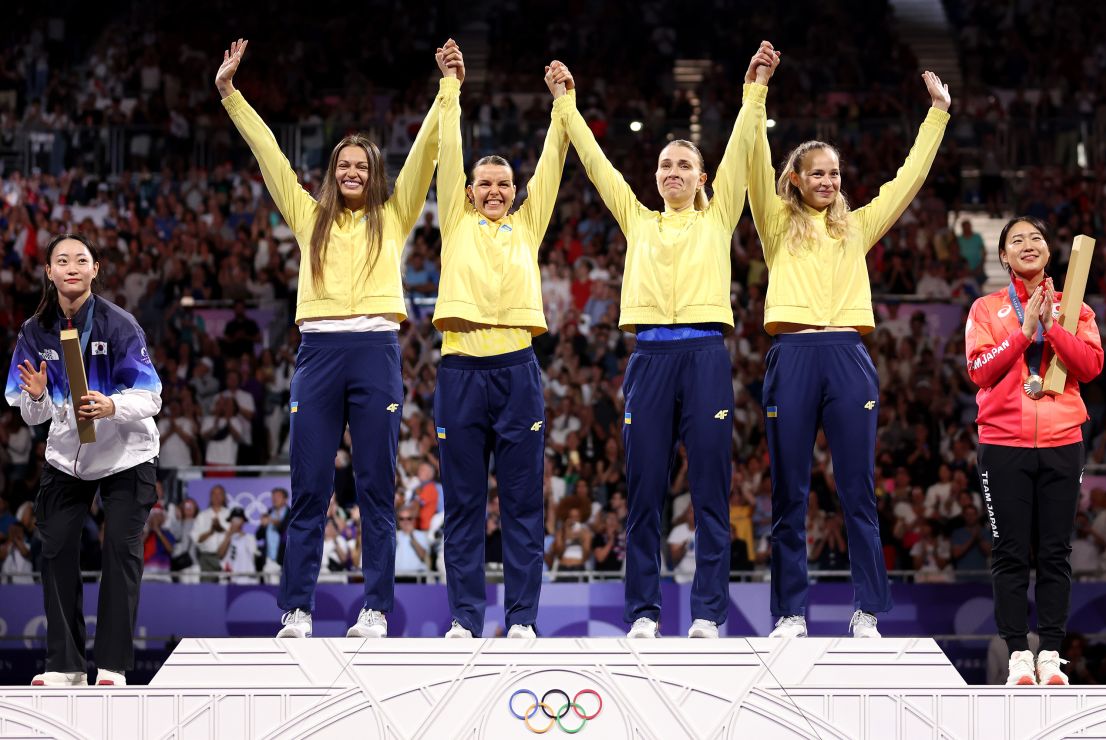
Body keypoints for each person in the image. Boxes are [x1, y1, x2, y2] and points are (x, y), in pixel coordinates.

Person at [215, 38, 455, 639]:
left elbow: (426, 152)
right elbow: (270, 156)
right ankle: (296, 609)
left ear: (374, 174)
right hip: (317, 353)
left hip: (375, 351)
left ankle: (375, 609)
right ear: (333, 172)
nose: (352, 172)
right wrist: (230, 96)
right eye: (344, 165)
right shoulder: (307, 216)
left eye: (362, 166)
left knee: (377, 485)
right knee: (309, 487)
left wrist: (447, 87)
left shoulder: (394, 216)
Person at [546, 43, 775, 639]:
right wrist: (566, 104)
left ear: (701, 178)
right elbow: (595, 163)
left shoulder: (719, 216)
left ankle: (707, 614)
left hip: (704, 357)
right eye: (664, 166)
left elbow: (743, 148)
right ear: (655, 177)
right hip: (648, 358)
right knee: (644, 492)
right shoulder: (638, 220)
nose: (673, 173)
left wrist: (755, 90)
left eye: (683, 166)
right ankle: (643, 614)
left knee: (709, 494)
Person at [749, 45, 952, 638]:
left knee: (858, 489)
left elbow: (908, 180)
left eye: (834, 174)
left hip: (848, 359)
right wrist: (756, 90)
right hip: (792, 356)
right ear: (796, 179)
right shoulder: (776, 223)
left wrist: (936, 114)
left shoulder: (856, 225)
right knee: (789, 490)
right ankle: (790, 611)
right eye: (817, 172)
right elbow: (754, 164)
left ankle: (868, 610)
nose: (828, 181)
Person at [433, 40, 568, 639]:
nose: (496, 190)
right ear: (466, 192)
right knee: (462, 505)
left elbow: (554, 163)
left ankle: (521, 622)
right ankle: (464, 619)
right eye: (485, 183)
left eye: (504, 183)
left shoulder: (526, 226)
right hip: (461, 369)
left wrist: (562, 104)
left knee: (521, 507)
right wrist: (452, 88)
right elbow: (447, 149)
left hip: (517, 369)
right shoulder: (454, 221)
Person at [5, 232, 161, 687]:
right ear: (49, 272)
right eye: (61, 260)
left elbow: (151, 395)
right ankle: (65, 666)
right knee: (53, 549)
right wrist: (36, 397)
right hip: (66, 456)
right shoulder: (34, 331)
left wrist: (112, 405)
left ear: (95, 270)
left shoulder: (119, 324)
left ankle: (111, 665)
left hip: (127, 454)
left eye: (81, 260)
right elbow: (32, 411)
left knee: (119, 552)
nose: (72, 267)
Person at [965, 216, 1103, 685]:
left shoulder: (1075, 308)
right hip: (1003, 443)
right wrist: (1024, 332)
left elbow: (1090, 365)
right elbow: (980, 371)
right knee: (1009, 551)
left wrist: (1051, 326)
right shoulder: (985, 309)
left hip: (1063, 440)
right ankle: (1018, 653)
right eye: (1016, 240)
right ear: (1003, 256)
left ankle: (1050, 655)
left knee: (1054, 552)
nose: (1028, 245)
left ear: (1049, 252)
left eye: (1037, 238)